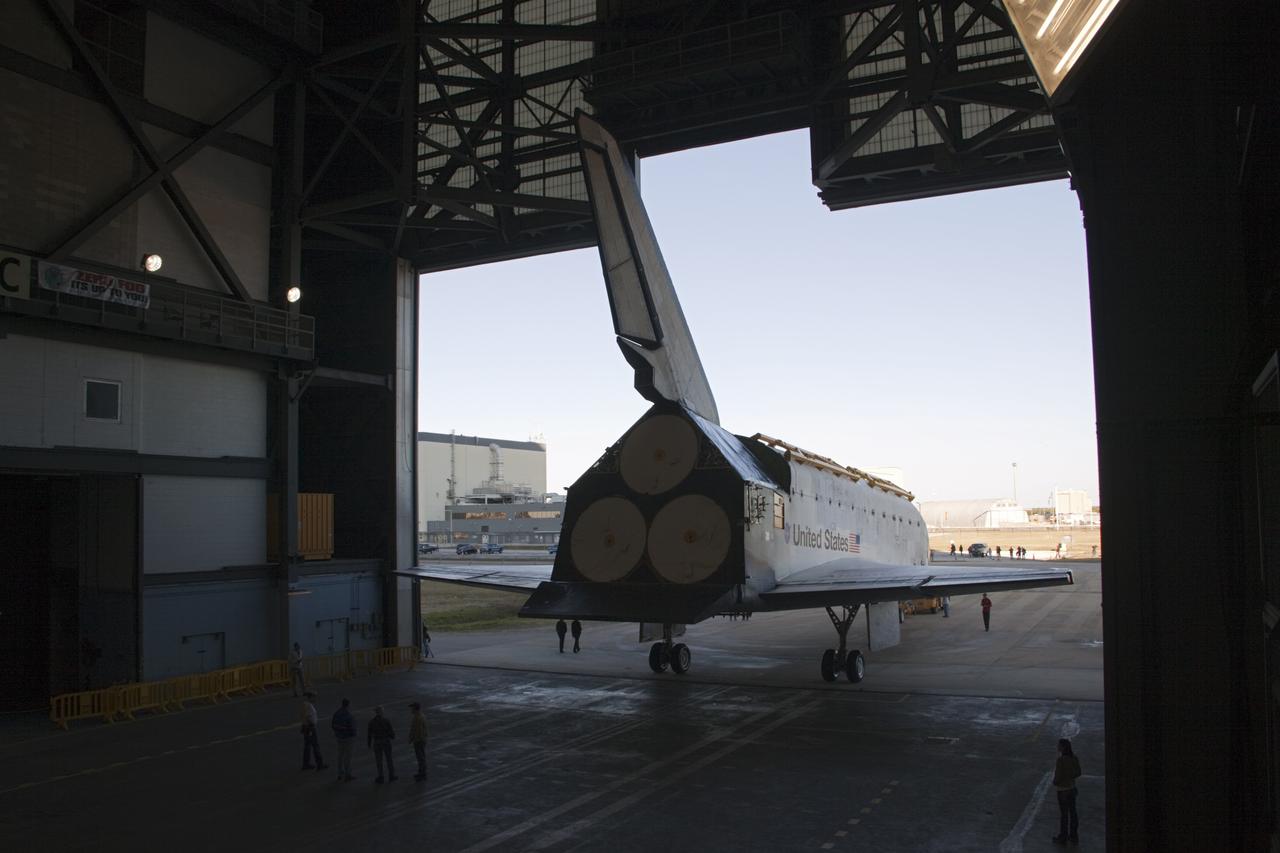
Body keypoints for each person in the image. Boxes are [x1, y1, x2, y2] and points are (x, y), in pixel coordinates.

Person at [1052, 737, 1082, 844]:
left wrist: (1055, 782)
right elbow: (1078, 772)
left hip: (1063, 790)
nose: (1058, 747)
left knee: (1064, 815)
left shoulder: (1061, 760)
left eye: (1059, 745)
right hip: (1072, 788)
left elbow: (1058, 776)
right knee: (1073, 813)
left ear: (1063, 747)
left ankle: (1063, 837)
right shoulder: (1074, 758)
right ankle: (1074, 836)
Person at [367, 705, 397, 783]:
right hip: (386, 741)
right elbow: (391, 732)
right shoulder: (386, 720)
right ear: (382, 712)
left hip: (377, 742)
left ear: (376, 713)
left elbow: (369, 734)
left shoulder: (371, 722)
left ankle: (381, 776)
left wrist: (369, 743)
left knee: (379, 760)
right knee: (389, 759)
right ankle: (391, 775)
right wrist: (392, 736)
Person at [300, 692, 327, 771]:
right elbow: (309, 717)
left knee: (307, 746)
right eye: (314, 697)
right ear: (310, 697)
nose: (315, 699)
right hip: (310, 728)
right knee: (315, 745)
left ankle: (306, 763)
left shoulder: (304, 705)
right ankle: (319, 764)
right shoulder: (308, 706)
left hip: (305, 727)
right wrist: (312, 725)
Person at [331, 698, 357, 781]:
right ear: (348, 705)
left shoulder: (336, 713)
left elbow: (333, 725)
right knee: (348, 757)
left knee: (340, 755)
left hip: (339, 737)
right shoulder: (349, 715)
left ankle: (339, 773)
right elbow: (352, 728)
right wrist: (354, 735)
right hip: (348, 738)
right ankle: (347, 774)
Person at [408, 701, 428, 782]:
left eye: (412, 708)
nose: (411, 710)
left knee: (420, 757)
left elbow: (417, 731)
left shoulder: (417, 718)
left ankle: (422, 774)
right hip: (421, 740)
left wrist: (412, 739)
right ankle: (421, 772)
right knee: (421, 756)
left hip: (419, 740)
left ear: (415, 708)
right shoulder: (420, 716)